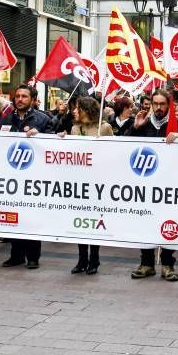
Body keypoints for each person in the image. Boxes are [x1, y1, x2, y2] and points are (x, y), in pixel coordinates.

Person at [127, 89, 178, 282]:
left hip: (169, 185)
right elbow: (123, 146)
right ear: (151, 105)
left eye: (163, 104)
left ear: (168, 105)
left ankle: (168, 265)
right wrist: (136, 127)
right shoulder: (144, 124)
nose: (159, 108)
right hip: (146, 185)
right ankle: (146, 264)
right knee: (145, 222)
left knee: (169, 224)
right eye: (156, 104)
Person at [0, 85, 54, 268]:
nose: (20, 99)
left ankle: (32, 257)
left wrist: (41, 136)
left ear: (32, 99)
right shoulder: (7, 118)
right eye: (18, 96)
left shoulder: (43, 119)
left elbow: (54, 144)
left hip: (34, 177)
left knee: (30, 216)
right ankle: (16, 255)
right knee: (14, 216)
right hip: (12, 175)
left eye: (24, 96)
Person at [61, 97, 113, 274]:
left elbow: (114, 153)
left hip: (97, 181)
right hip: (79, 181)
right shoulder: (75, 128)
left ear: (88, 110)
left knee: (94, 222)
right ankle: (82, 259)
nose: (75, 111)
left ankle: (94, 259)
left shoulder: (104, 127)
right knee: (79, 222)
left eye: (79, 108)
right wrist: (63, 139)